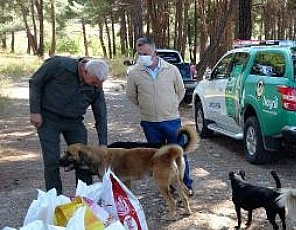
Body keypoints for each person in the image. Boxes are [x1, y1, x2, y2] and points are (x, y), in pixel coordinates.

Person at [29, 56, 109, 194]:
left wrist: (103, 143)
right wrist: (35, 111)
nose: (97, 86)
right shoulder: (59, 65)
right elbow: (36, 82)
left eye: (100, 84)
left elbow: (101, 114)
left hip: (74, 121)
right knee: (52, 161)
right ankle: (55, 198)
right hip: (49, 118)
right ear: (85, 72)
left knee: (84, 160)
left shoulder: (96, 85)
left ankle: (85, 197)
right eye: (95, 83)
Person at [126, 37, 193, 196]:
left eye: (146, 53)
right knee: (158, 156)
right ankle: (167, 185)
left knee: (179, 152)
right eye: (140, 53)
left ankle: (186, 184)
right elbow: (131, 96)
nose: (143, 56)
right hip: (150, 122)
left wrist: (171, 106)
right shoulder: (135, 72)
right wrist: (146, 107)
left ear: (154, 52)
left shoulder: (171, 69)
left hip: (171, 120)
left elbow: (181, 90)